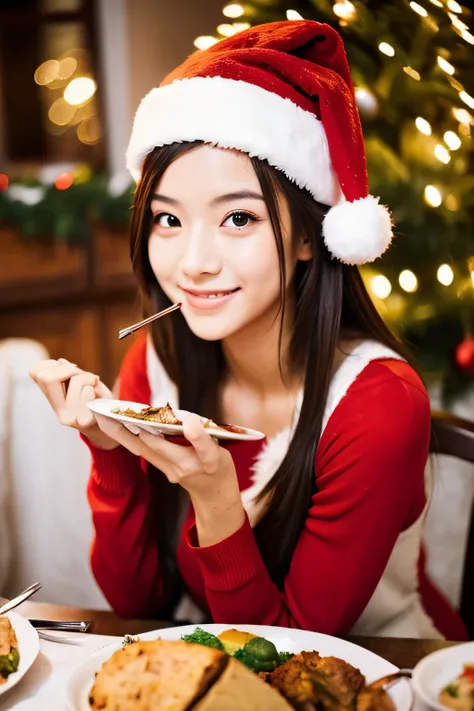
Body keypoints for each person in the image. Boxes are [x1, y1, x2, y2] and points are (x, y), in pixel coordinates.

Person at [30, 20, 466, 639]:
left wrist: (215, 499)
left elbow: (292, 652)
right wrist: (111, 456)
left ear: (312, 236)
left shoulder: (378, 405)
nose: (193, 263)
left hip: (386, 671)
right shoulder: (159, 362)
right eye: (167, 220)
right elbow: (140, 600)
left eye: (238, 217)